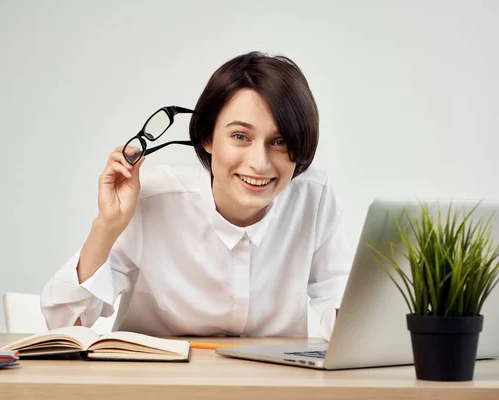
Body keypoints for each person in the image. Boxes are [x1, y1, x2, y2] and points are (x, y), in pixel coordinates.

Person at [41, 51, 352, 340]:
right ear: (207, 137)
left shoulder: (314, 199)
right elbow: (65, 326)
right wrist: (107, 225)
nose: (260, 163)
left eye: (280, 141)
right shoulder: (154, 200)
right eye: (240, 136)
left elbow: (340, 304)